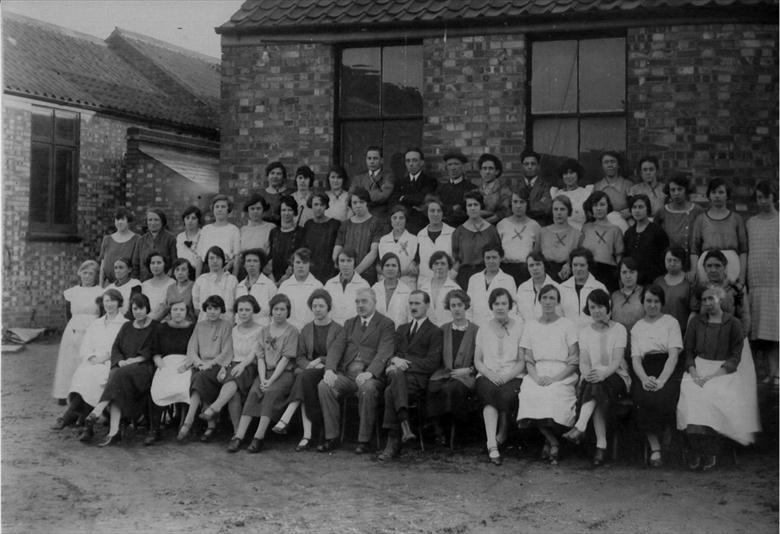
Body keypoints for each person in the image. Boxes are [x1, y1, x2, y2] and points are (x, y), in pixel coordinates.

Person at [677, 286, 759, 470]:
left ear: (720, 299)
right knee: (691, 393)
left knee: (712, 394)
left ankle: (710, 451)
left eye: (711, 298)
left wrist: (715, 376)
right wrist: (694, 372)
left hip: (723, 372)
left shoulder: (733, 323)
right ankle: (696, 449)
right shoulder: (696, 322)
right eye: (704, 299)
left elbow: (735, 357)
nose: (707, 303)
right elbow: (688, 352)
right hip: (698, 368)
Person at [317, 287, 396, 453]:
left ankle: (364, 440)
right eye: (357, 302)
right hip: (347, 375)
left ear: (375, 302)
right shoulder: (350, 323)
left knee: (367, 389)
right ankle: (332, 437)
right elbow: (336, 348)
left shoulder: (386, 324)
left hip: (370, 376)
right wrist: (330, 369)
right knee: (325, 385)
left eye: (364, 301)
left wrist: (370, 373)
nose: (360, 305)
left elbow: (385, 350)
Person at [563, 289, 630, 466]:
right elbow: (584, 361)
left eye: (600, 306)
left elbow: (617, 361)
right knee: (596, 388)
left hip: (616, 376)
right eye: (593, 307)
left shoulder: (619, 329)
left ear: (607, 307)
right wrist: (588, 374)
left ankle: (581, 426)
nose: (597, 311)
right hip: (593, 377)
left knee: (597, 387)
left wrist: (603, 374)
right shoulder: (585, 332)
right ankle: (601, 445)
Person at [269, 289, 341, 452]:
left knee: (303, 378)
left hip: (328, 369)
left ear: (328, 307)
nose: (317, 309)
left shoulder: (337, 329)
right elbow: (300, 356)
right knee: (305, 379)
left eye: (321, 306)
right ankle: (309, 434)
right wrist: (310, 365)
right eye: (314, 306)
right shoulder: (307, 329)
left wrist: (320, 361)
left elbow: (337, 354)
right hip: (309, 371)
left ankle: (289, 419)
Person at [83, 294, 158, 447]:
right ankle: (113, 431)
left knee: (117, 375)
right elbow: (116, 347)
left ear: (147, 308)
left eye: (141, 308)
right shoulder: (127, 326)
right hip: (123, 368)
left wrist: (134, 360)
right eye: (135, 309)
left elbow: (153, 350)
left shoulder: (154, 326)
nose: (138, 312)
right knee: (117, 378)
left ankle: (98, 410)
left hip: (143, 369)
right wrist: (121, 361)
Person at [228, 294, 298, 453]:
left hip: (283, 374)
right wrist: (262, 377)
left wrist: (270, 380)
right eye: (276, 309)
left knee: (270, 393)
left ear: (288, 311)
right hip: (265, 372)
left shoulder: (292, 332)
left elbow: (285, 360)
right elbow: (260, 357)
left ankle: (258, 437)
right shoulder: (264, 331)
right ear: (271, 311)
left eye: (282, 309)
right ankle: (239, 436)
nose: (279, 312)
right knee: (254, 391)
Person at [378, 290, 443, 461]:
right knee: (392, 383)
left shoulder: (435, 331)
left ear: (427, 306)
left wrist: (403, 363)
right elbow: (391, 354)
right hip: (399, 378)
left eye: (417, 303)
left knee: (390, 388)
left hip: (418, 380)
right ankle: (404, 427)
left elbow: (432, 363)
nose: (413, 307)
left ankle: (392, 443)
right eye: (411, 303)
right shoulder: (402, 328)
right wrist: (394, 360)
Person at [517, 284, 578, 465]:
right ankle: (553, 441)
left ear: (558, 302)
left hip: (562, 373)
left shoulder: (567, 325)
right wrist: (536, 378)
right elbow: (528, 358)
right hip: (537, 372)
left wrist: (555, 378)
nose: (548, 302)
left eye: (552, 298)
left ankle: (548, 441)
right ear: (539, 301)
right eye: (545, 298)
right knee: (531, 393)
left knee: (553, 394)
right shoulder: (531, 325)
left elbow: (574, 359)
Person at [53, 289, 127, 434]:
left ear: (119, 303)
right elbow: (86, 345)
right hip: (93, 360)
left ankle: (72, 415)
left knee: (96, 376)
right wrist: (92, 357)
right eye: (106, 301)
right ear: (102, 303)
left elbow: (124, 348)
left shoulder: (125, 324)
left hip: (112, 362)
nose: (109, 304)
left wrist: (105, 358)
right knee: (83, 373)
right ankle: (82, 418)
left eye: (113, 301)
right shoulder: (96, 323)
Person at [628, 285, 683, 467]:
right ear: (643, 303)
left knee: (665, 397)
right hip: (644, 369)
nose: (652, 305)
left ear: (662, 303)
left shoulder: (671, 322)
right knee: (643, 399)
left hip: (667, 368)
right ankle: (655, 447)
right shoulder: (637, 327)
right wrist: (644, 379)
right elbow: (635, 360)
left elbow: (674, 355)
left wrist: (661, 380)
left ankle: (668, 438)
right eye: (648, 301)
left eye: (656, 301)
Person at [474, 288, 525, 466]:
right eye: (496, 303)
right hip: (488, 374)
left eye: (504, 303)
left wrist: (507, 376)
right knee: (489, 393)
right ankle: (492, 443)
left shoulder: (519, 327)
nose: (500, 307)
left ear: (509, 305)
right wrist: (490, 373)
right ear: (491, 306)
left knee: (506, 394)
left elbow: (521, 361)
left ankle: (502, 434)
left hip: (513, 375)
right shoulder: (484, 328)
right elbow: (478, 360)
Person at [204, 296, 262, 446]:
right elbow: (229, 351)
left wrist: (242, 365)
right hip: (233, 364)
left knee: (234, 378)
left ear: (253, 310)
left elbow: (253, 354)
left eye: (247, 310)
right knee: (233, 392)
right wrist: (224, 366)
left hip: (250, 366)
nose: (243, 313)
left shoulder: (260, 330)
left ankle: (215, 407)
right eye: (240, 310)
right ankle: (237, 433)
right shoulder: (234, 329)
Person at [176, 295, 234, 442]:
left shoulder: (226, 325)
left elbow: (226, 351)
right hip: (200, 365)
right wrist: (199, 362)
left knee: (200, 378)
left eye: (216, 308)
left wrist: (210, 364)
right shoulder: (200, 325)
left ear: (221, 310)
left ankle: (188, 422)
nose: (212, 312)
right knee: (197, 377)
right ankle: (211, 424)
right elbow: (192, 348)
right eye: (209, 308)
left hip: (217, 366)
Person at [427, 289, 478, 447]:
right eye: (453, 305)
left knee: (454, 389)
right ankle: (438, 430)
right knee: (432, 387)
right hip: (445, 372)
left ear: (466, 306)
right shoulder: (443, 329)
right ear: (449, 308)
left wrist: (469, 370)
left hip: (466, 374)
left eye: (460, 305)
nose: (456, 309)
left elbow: (482, 357)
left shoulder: (476, 330)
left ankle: (457, 434)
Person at [145, 300, 196, 445]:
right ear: (170, 312)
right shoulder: (161, 328)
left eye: (181, 309)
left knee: (184, 385)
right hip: (166, 362)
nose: (178, 312)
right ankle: (154, 429)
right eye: (175, 310)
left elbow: (196, 350)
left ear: (186, 312)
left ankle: (183, 424)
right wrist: (160, 364)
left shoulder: (192, 328)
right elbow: (155, 350)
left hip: (186, 363)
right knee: (158, 386)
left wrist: (187, 365)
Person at [52, 260, 103, 402]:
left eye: (91, 273)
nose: (87, 276)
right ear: (80, 274)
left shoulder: (100, 292)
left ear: (96, 275)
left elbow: (102, 313)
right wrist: (74, 327)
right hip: (74, 329)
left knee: (87, 360)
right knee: (69, 361)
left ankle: (85, 395)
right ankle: (64, 393)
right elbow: (68, 314)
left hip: (93, 329)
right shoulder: (72, 292)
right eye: (84, 273)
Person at [746, 181, 779, 386]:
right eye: (759, 197)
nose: (763, 201)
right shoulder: (751, 223)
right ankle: (770, 372)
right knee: (761, 334)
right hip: (757, 284)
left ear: (774, 197)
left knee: (776, 332)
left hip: (776, 283)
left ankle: (778, 373)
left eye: (766, 196)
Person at [690, 178, 748, 285]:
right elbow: (694, 250)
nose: (717, 195)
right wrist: (694, 270)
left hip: (732, 267)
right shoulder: (701, 219)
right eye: (714, 192)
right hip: (707, 266)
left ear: (727, 195)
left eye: (721, 192)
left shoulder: (736, 219)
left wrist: (742, 275)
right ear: (709, 195)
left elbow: (743, 250)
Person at [690, 249, 751, 336]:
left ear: (725, 266)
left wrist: (738, 338)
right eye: (709, 266)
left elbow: (744, 317)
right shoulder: (701, 288)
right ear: (704, 267)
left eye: (717, 266)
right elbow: (694, 313)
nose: (713, 270)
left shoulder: (736, 288)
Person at [332, 187, 384, 285]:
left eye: (361, 202)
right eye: (354, 203)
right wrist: (341, 267)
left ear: (367, 203)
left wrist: (355, 273)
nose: (358, 205)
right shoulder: (345, 224)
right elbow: (337, 248)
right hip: (345, 274)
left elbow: (374, 252)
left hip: (366, 275)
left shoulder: (376, 223)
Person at [452, 191, 501, 289]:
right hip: (464, 276)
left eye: (476, 204)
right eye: (469, 205)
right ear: (465, 208)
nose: (473, 208)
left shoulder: (491, 230)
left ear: (481, 207)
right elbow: (456, 258)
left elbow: (498, 254)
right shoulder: (458, 231)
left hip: (487, 274)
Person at [579, 190, 624, 292]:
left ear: (608, 206)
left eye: (602, 204)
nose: (599, 208)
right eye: (595, 205)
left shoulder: (615, 229)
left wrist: (620, 277)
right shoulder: (586, 228)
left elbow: (619, 256)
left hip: (608, 273)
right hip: (589, 272)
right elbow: (580, 252)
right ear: (591, 208)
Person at [497, 189, 541, 286]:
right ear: (511, 203)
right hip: (505, 269)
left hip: (525, 270)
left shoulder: (535, 226)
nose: (518, 206)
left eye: (522, 202)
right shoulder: (502, 224)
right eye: (515, 202)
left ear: (527, 204)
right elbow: (497, 250)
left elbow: (536, 251)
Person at [466, 244, 517, 327]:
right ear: (483, 259)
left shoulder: (508, 280)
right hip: (476, 326)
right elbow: (468, 306)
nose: (491, 261)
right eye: (488, 258)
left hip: (499, 327)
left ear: (500, 258)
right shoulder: (474, 279)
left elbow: (512, 307)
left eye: (494, 257)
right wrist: (470, 327)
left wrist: (505, 326)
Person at [389, 147, 438, 234]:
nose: (411, 164)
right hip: (403, 222)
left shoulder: (429, 181)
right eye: (408, 161)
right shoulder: (400, 182)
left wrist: (403, 198)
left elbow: (421, 198)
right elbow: (393, 201)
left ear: (421, 162)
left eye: (414, 160)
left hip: (421, 222)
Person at [623, 194, 669, 286]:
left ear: (647, 209)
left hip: (653, 281)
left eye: (641, 207)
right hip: (634, 282)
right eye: (634, 207)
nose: (637, 210)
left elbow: (664, 258)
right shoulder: (629, 233)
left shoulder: (657, 231)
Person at [655, 173, 703, 258]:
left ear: (686, 190)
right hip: (670, 259)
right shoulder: (662, 212)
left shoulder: (697, 211)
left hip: (693, 258)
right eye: (673, 190)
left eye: (680, 189)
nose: (676, 193)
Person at [535, 195, 581, 282]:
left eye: (562, 209)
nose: (559, 213)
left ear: (569, 211)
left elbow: (578, 257)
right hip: (545, 274)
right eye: (555, 209)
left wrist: (569, 264)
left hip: (566, 274)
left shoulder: (577, 234)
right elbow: (535, 256)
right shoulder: (542, 232)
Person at [559, 248, 608, 328]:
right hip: (569, 337)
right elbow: (558, 316)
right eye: (575, 265)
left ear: (589, 265)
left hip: (592, 336)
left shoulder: (599, 287)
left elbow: (606, 316)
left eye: (582, 265)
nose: (578, 269)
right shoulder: (562, 288)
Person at [278, 248, 324, 330]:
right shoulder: (285, 286)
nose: (301, 266)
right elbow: (277, 311)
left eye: (304, 262)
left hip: (311, 333)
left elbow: (323, 313)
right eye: (298, 262)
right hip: (288, 333)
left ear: (310, 264)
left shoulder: (318, 286)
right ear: (293, 264)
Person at [300, 192, 340, 284]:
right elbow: (304, 249)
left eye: (322, 205)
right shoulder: (308, 224)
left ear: (326, 206)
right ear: (311, 206)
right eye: (316, 204)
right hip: (311, 271)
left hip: (330, 271)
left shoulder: (334, 224)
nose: (318, 208)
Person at [192, 246, 238, 323]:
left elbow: (236, 305)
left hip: (227, 324)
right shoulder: (200, 280)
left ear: (223, 260)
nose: (215, 261)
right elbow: (196, 308)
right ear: (207, 260)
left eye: (218, 258)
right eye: (212, 258)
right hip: (205, 324)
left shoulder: (232, 280)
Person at [324, 248, 371, 326]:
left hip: (354, 330)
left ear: (354, 263)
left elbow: (367, 311)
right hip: (333, 330)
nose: (345, 264)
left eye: (349, 261)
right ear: (337, 263)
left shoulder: (364, 285)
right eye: (342, 261)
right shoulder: (329, 284)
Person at [416, 197, 455, 286]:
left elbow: (458, 259)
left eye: (439, 211)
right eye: (432, 211)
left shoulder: (452, 232)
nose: (436, 214)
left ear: (443, 213)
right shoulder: (420, 235)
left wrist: (451, 277)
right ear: (427, 213)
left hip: (447, 282)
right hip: (424, 283)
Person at [197, 194, 241, 274]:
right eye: (217, 207)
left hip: (225, 269)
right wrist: (197, 280)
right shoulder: (205, 229)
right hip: (207, 270)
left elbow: (237, 257)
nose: (219, 209)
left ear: (228, 210)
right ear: (213, 209)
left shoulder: (234, 230)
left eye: (223, 207)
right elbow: (200, 257)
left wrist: (234, 278)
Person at [654, 246, 692, 335]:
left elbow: (693, 310)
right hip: (660, 330)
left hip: (682, 331)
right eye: (669, 260)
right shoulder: (658, 282)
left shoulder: (688, 282)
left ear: (682, 261)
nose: (672, 263)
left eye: (676, 260)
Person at [377, 205, 418, 288]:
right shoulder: (384, 240)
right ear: (390, 220)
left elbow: (414, 266)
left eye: (401, 218)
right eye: (394, 218)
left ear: (406, 220)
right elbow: (380, 265)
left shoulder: (414, 239)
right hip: (387, 281)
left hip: (407, 282)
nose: (398, 221)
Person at [350, 146, 394, 221]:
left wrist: (361, 196)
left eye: (375, 158)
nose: (372, 161)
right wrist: (376, 192)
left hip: (379, 217)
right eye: (369, 158)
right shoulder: (358, 178)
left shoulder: (388, 177)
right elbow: (351, 196)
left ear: (382, 160)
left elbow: (383, 195)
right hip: (360, 217)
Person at [418, 251, 461, 327]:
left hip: (447, 332)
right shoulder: (423, 288)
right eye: (436, 263)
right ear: (432, 266)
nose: (439, 267)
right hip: (427, 333)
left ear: (449, 267)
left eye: (443, 264)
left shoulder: (455, 289)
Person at [515, 251, 561, 322]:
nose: (535, 268)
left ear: (544, 266)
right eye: (531, 265)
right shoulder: (522, 288)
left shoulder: (557, 288)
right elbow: (518, 313)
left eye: (538, 264)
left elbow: (559, 314)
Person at [234, 248, 276, 326]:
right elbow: (237, 313)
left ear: (261, 264)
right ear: (244, 264)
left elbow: (275, 312)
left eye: (255, 261)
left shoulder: (269, 285)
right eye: (248, 261)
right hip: (242, 331)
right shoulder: (240, 286)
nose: (252, 264)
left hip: (263, 330)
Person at [133, 208, 177, 282]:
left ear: (162, 221)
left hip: (164, 281)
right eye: (150, 220)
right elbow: (135, 264)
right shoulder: (141, 240)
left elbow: (175, 262)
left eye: (156, 220)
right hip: (144, 281)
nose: (153, 223)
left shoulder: (170, 239)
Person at [236, 194, 275, 276]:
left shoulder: (270, 227)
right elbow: (239, 253)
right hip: (245, 271)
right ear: (248, 210)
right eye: (252, 209)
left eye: (258, 208)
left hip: (264, 270)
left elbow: (273, 252)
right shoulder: (243, 230)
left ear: (263, 210)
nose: (255, 211)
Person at [98, 207, 139, 286]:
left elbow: (137, 265)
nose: (119, 222)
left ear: (128, 221)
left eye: (123, 219)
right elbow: (103, 265)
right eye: (117, 219)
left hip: (128, 285)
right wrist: (101, 285)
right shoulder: (107, 239)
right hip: (109, 285)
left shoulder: (137, 239)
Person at [550, 159, 592, 231]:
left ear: (578, 174)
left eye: (572, 173)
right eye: (565, 173)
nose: (568, 176)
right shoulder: (556, 193)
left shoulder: (586, 192)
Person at [268, 195, 302, 284]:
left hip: (294, 279)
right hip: (274, 279)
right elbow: (270, 256)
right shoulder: (274, 232)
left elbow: (301, 256)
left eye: (290, 210)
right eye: (283, 210)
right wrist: (273, 280)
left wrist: (286, 277)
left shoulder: (301, 232)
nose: (286, 213)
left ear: (294, 212)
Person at [372, 253, 413, 328]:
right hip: (377, 335)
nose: (390, 268)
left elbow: (410, 320)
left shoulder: (407, 291)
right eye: (387, 265)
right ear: (382, 269)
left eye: (394, 265)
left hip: (398, 335)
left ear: (398, 269)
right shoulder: (375, 289)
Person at [593, 151, 632, 226]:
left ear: (618, 165)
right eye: (606, 162)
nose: (610, 165)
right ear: (602, 166)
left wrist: (630, 211)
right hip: (602, 226)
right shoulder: (597, 187)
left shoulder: (628, 185)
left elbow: (636, 205)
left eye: (613, 162)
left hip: (623, 225)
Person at [516, 149, 552, 225]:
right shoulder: (515, 186)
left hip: (539, 226)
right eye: (526, 164)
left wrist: (522, 208)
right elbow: (510, 209)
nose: (529, 167)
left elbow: (545, 208)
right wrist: (536, 204)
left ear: (538, 166)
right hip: (519, 227)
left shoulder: (546, 186)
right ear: (522, 166)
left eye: (533, 164)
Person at [437, 151, 474, 227]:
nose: (453, 168)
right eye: (450, 165)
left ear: (463, 167)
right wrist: (452, 209)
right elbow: (437, 209)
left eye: (456, 164)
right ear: (446, 168)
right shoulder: (440, 189)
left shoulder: (471, 188)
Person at [476, 153, 512, 225]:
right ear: (480, 172)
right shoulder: (477, 191)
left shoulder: (504, 190)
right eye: (484, 168)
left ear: (496, 171)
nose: (487, 172)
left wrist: (485, 222)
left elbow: (505, 212)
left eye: (490, 168)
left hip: (499, 226)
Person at [610, 258, 644, 332]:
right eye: (624, 272)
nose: (628, 276)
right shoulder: (614, 296)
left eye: (632, 272)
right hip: (618, 338)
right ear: (619, 274)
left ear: (638, 273)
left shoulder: (644, 293)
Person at [141, 252, 175, 321]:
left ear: (165, 264)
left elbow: (169, 308)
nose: (155, 266)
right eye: (152, 263)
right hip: (145, 321)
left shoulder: (172, 283)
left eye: (159, 263)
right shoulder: (145, 284)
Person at [259, 161, 294, 225]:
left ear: (283, 177)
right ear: (267, 175)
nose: (275, 176)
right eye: (272, 173)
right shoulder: (261, 195)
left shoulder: (289, 193)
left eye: (278, 174)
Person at [176, 206, 204, 277]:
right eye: (187, 218)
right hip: (182, 274)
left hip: (200, 273)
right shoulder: (180, 237)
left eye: (193, 218)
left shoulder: (204, 235)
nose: (190, 221)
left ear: (199, 220)